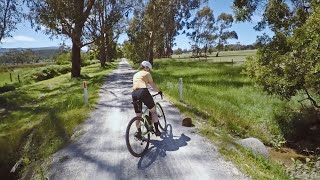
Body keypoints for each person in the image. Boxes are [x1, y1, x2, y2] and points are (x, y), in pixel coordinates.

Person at [132, 60, 162, 138]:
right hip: (143, 91)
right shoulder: (147, 73)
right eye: (148, 69)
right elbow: (152, 85)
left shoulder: (135, 74)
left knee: (138, 115)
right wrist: (159, 91)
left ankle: (139, 133)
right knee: (153, 111)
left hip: (134, 93)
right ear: (146, 67)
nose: (149, 70)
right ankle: (157, 130)